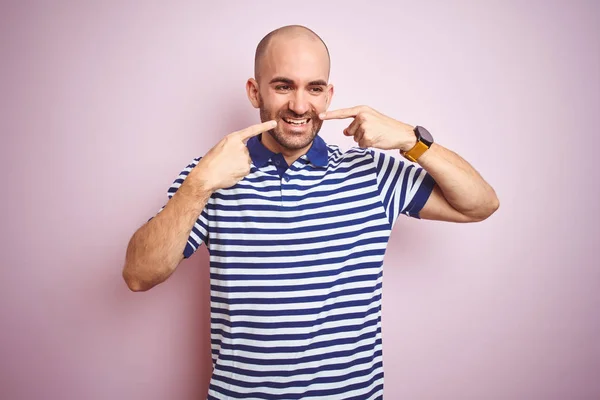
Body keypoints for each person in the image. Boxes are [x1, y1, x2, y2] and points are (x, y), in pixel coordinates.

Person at [122, 24, 499, 399]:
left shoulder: (372, 173)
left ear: (328, 95)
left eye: (314, 88)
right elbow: (139, 275)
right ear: (255, 92)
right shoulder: (209, 175)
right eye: (283, 86)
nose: (300, 106)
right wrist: (200, 183)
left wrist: (408, 139)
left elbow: (481, 204)